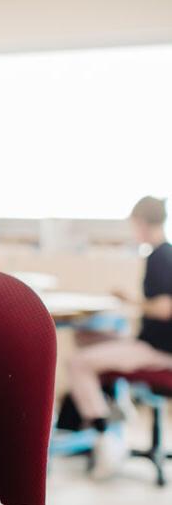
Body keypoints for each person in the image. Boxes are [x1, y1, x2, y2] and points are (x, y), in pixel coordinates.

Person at [66, 196, 172, 479]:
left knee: (78, 363)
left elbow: (164, 308)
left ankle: (104, 435)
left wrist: (131, 300)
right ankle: (118, 407)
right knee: (87, 339)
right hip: (152, 343)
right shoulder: (167, 253)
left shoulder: (160, 256)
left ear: (140, 223)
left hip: (157, 350)